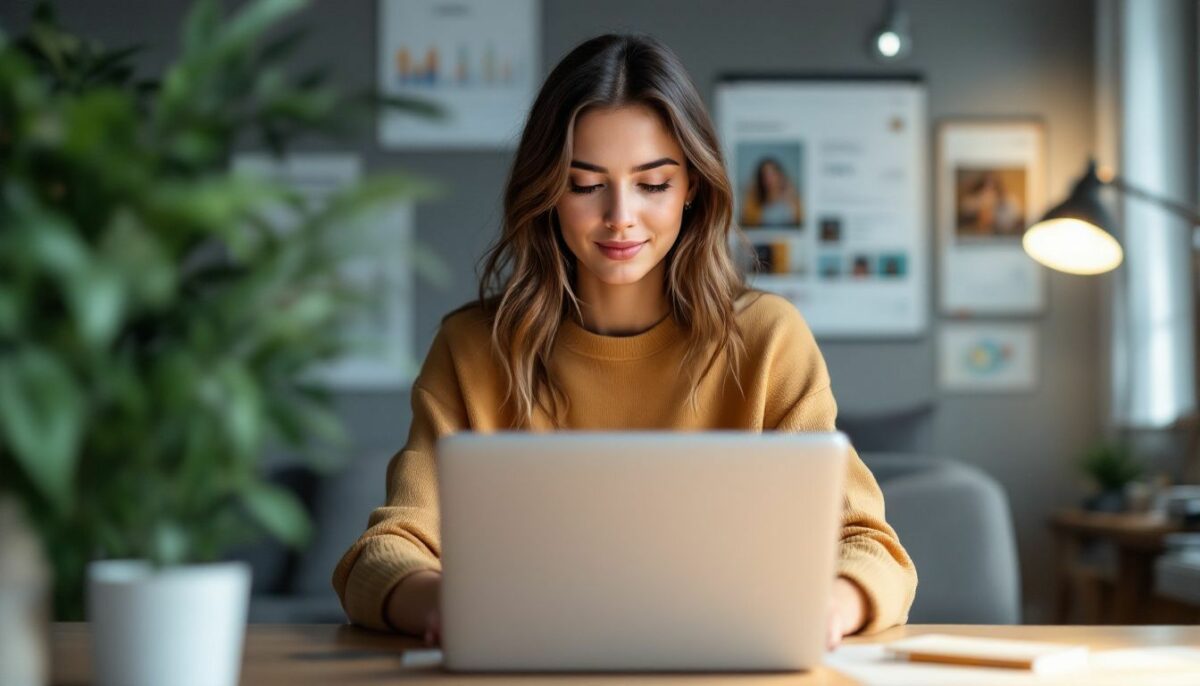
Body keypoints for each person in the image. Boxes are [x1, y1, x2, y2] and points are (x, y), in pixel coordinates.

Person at [332, 33, 917, 650]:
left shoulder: (767, 340)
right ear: (549, 191)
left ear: (692, 185)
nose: (620, 216)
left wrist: (830, 604)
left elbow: (869, 545)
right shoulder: (474, 347)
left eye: (653, 184)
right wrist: (440, 601)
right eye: (585, 185)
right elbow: (385, 551)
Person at [740, 157, 805, 227]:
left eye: (772, 174)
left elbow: (801, 224)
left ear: (780, 175)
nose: (769, 179)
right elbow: (748, 225)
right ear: (760, 179)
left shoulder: (793, 199)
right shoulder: (753, 201)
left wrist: (791, 201)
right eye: (765, 175)